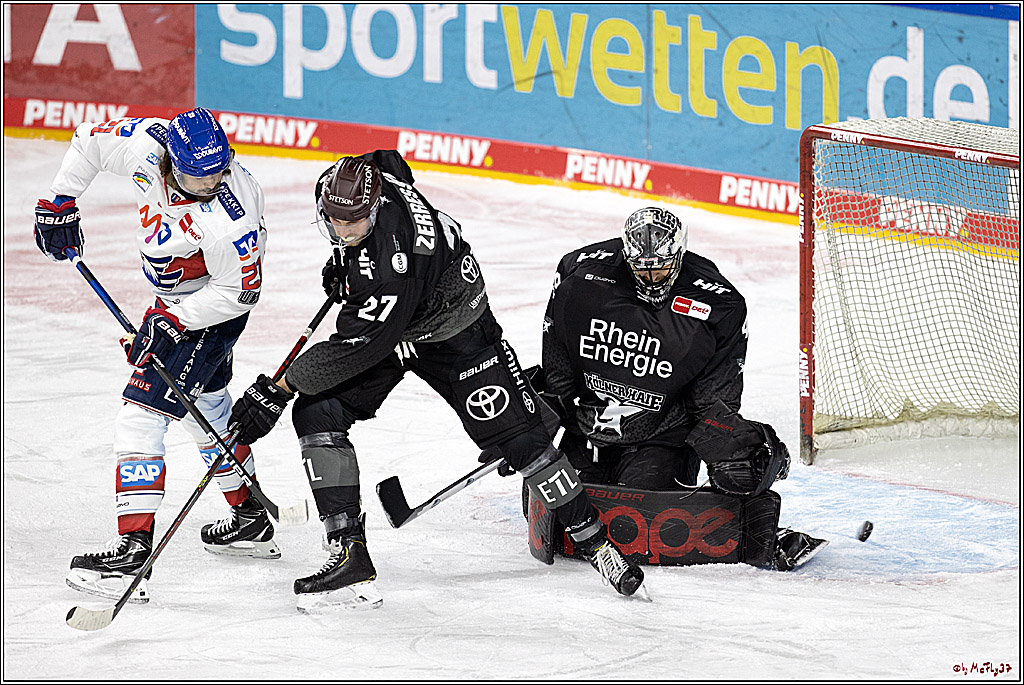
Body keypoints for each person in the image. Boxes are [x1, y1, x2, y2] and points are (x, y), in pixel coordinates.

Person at [228, 150, 647, 612]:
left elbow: (359, 347)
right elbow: (390, 158)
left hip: (456, 332)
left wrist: (281, 387)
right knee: (319, 412)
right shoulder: (353, 181)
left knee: (522, 441)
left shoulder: (395, 259)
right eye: (334, 223)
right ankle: (348, 551)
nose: (342, 231)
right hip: (399, 320)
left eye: (354, 225)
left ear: (377, 205)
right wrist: (347, 264)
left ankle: (597, 545)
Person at [34, 108, 276, 603]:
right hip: (172, 304)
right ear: (169, 160)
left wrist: (172, 324)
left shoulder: (233, 215)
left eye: (217, 171)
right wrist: (63, 199)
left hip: (209, 314)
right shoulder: (148, 142)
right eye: (195, 174)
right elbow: (89, 142)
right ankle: (248, 512)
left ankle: (130, 548)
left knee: (140, 415)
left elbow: (239, 294)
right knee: (204, 407)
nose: (209, 183)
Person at [536, 206, 825, 571]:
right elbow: (558, 348)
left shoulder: (718, 304)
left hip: (661, 436)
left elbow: (712, 401)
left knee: (647, 525)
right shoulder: (581, 278)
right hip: (588, 429)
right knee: (565, 518)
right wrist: (542, 408)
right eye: (641, 268)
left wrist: (731, 445)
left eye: (661, 266)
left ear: (680, 254)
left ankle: (759, 524)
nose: (652, 277)